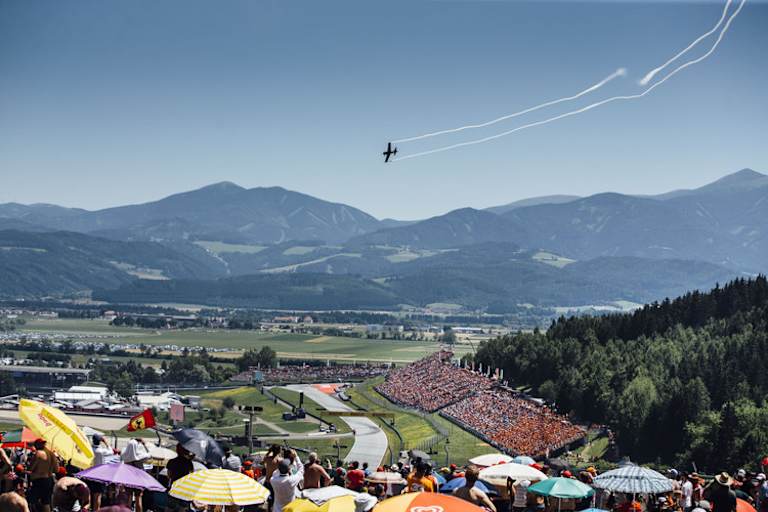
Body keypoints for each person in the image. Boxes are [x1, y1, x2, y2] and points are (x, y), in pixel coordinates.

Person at [27, 439, 58, 512]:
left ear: (38, 445)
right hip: (49, 480)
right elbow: (56, 470)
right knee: (46, 502)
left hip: (39, 480)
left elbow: (31, 468)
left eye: (35, 445)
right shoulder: (52, 454)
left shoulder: (38, 453)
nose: (34, 446)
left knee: (31, 501)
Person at [166, 444, 194, 512]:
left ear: (177, 450)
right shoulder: (188, 462)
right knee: (182, 508)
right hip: (184, 489)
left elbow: (169, 475)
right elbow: (191, 474)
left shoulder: (172, 461)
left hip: (174, 487)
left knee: (170, 508)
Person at [89, 435, 113, 511]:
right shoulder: (101, 451)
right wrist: (106, 442)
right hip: (99, 475)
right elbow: (111, 451)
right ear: (100, 441)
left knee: (91, 495)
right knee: (97, 496)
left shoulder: (90, 449)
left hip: (90, 473)